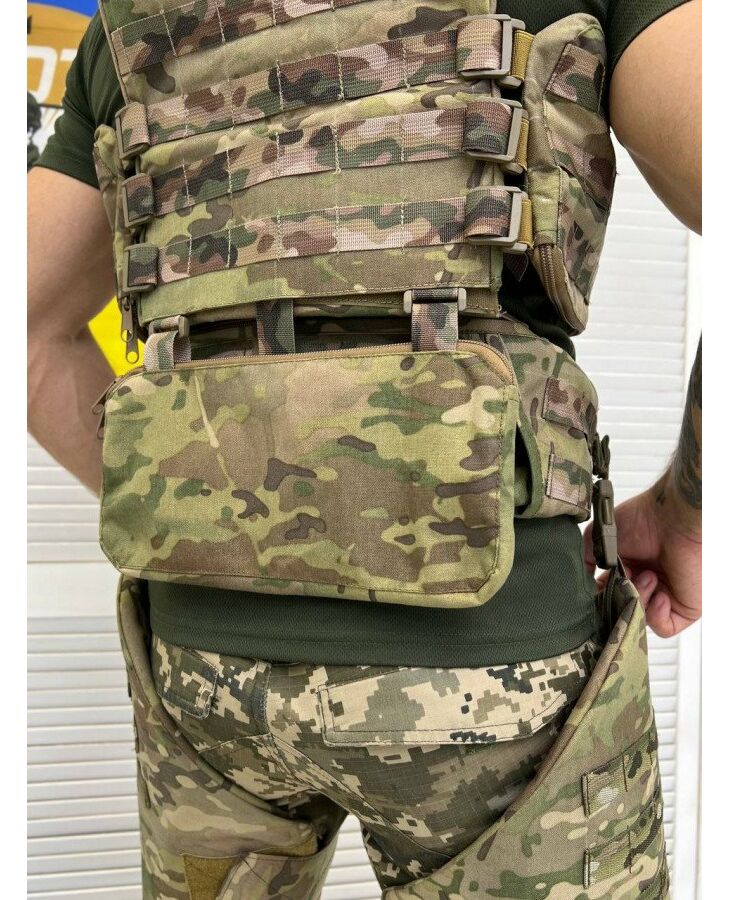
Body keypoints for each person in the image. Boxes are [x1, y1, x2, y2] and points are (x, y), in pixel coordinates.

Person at [28, 0, 700, 897]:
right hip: (494, 677)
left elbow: (24, 331)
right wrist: (689, 515)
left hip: (204, 677)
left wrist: (207, 518)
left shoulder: (124, 23)